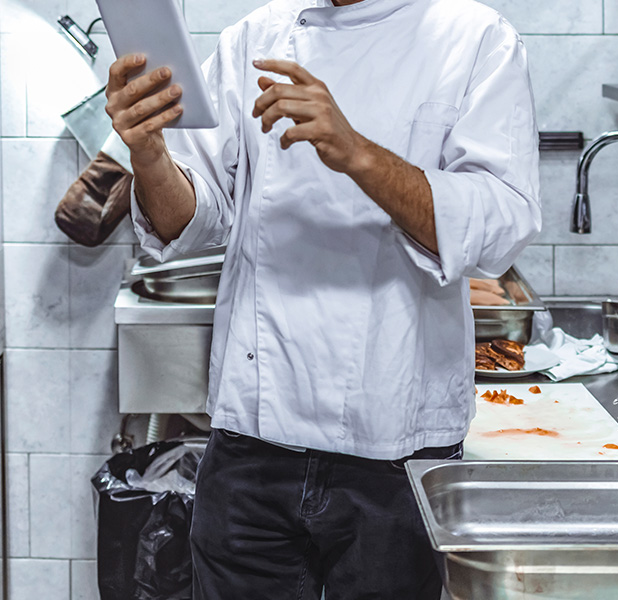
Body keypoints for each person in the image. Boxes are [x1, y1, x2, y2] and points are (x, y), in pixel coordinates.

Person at [103, 0, 541, 597]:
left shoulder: (475, 38)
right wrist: (149, 156)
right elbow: (191, 217)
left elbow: (500, 226)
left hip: (396, 452)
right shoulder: (253, 39)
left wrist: (358, 153)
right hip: (251, 449)